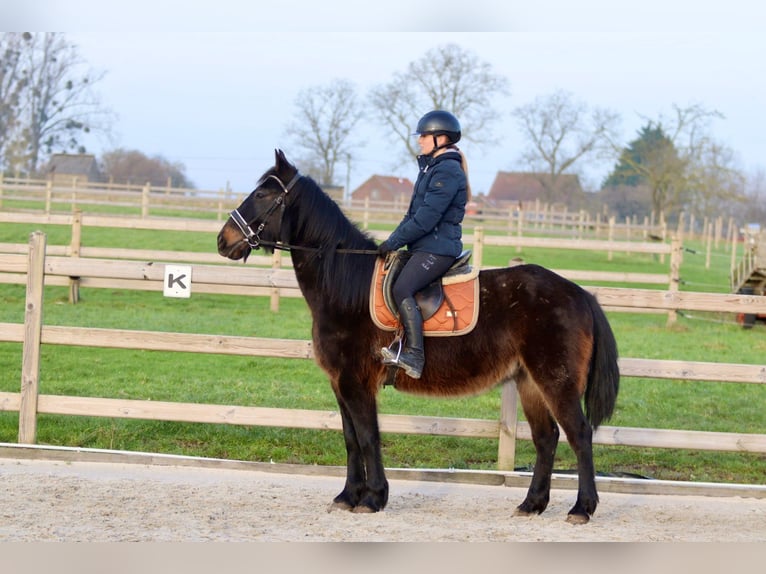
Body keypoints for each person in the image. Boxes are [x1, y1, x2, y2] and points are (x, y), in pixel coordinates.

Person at [377, 110, 471, 379]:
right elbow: (412, 216)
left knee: (403, 287)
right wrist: (391, 242)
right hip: (424, 246)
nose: (419, 141)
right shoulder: (431, 168)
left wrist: (394, 241)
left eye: (424, 136)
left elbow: (426, 219)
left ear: (441, 138)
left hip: (438, 248)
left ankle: (415, 356)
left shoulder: (448, 171)